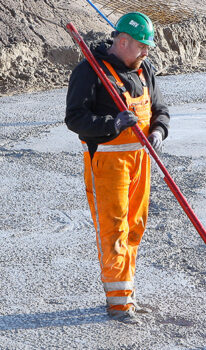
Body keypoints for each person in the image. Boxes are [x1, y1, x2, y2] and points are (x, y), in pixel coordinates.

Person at [65, 12, 170, 324]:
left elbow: (161, 109)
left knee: (136, 227)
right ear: (122, 41)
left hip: (140, 161)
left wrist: (158, 131)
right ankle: (118, 304)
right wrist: (113, 123)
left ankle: (128, 294)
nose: (146, 52)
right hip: (107, 163)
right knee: (114, 231)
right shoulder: (90, 72)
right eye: (141, 46)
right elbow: (75, 119)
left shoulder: (144, 69)